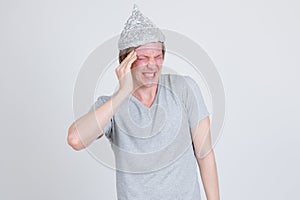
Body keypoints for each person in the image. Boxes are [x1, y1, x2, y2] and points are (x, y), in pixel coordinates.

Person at [67, 4, 220, 200]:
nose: (152, 64)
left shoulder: (184, 89)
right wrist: (123, 92)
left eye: (157, 56)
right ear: (126, 62)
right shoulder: (111, 106)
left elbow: (204, 154)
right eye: (143, 57)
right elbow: (75, 140)